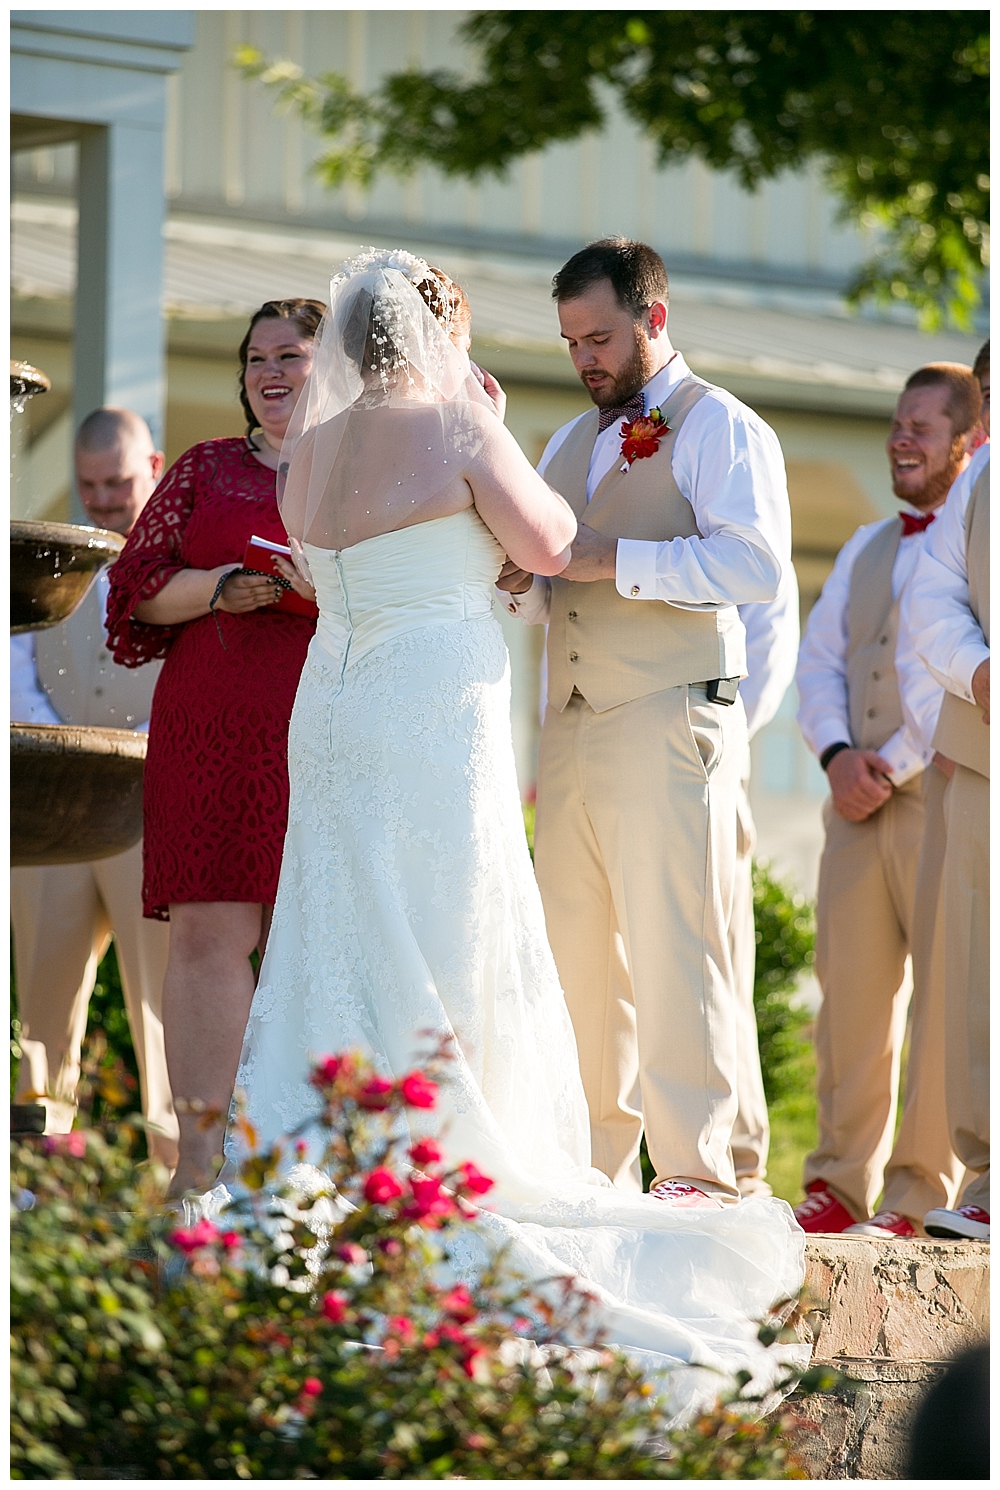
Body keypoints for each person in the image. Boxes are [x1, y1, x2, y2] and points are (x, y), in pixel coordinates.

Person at [222, 249, 806, 1413]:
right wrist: (481, 427)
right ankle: (456, 1145)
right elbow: (543, 546)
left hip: (333, 710)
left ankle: (319, 1149)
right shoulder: (461, 424)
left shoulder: (307, 452)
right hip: (433, 709)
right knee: (452, 919)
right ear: (440, 335)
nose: (575, 360)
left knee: (339, 920)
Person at [498, 238, 792, 1205]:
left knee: (680, 950)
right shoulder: (563, 445)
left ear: (653, 318)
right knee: (581, 959)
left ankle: (701, 1172)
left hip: (671, 714)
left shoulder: (723, 427)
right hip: (573, 726)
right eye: (572, 341)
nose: (585, 358)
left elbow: (753, 568)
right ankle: (597, 1172)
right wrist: (523, 584)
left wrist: (609, 558)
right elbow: (555, 584)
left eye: (601, 336)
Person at [106, 298, 325, 1197]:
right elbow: (136, 589)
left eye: (292, 355)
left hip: (321, 725)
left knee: (317, 943)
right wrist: (220, 586)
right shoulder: (203, 468)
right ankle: (196, 1179)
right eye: (255, 357)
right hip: (207, 726)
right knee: (206, 934)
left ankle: (301, 1179)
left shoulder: (368, 471)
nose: (269, 371)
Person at [793, 362, 982, 1237]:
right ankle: (836, 1182)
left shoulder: (972, 534)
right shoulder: (869, 543)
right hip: (852, 804)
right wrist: (836, 756)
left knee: (949, 998)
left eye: (923, 427)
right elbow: (819, 660)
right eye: (899, 423)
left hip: (934, 789)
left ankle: (918, 1191)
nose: (902, 438)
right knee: (852, 998)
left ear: (967, 441)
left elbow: (936, 672)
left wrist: (891, 767)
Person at [11, 409, 177, 1168]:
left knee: (164, 1007)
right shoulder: (53, 564)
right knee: (40, 1013)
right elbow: (22, 682)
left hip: (154, 810)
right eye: (89, 485)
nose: (104, 499)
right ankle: (32, 1180)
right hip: (59, 818)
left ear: (154, 465)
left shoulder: (187, 558)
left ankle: (180, 1183)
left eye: (118, 481)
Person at [905, 342, 989, 1242]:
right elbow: (935, 596)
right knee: (978, 969)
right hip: (987, 753)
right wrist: (978, 672)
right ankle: (989, 1177)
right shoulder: (983, 481)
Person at [729, 578, 800, 1197]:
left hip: (702, 747)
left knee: (714, 960)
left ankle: (739, 1167)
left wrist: (714, 735)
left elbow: (771, 642)